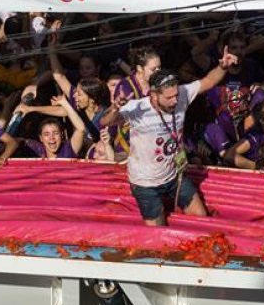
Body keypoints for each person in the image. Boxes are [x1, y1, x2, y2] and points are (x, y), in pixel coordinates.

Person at [102, 47, 239, 226]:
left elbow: (207, 81)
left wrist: (223, 67)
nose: (175, 101)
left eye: (176, 95)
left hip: (174, 176)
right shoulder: (138, 107)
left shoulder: (180, 94)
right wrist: (115, 108)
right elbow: (106, 121)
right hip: (145, 183)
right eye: (169, 98)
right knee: (158, 232)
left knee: (202, 218)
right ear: (154, 96)